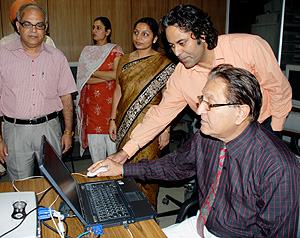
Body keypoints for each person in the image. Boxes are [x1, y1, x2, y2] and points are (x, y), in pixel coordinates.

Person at [89, 64, 300, 237]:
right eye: (201, 100)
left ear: (240, 113)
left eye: (210, 105)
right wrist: (123, 169)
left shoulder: (278, 166)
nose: (199, 111)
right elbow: (173, 166)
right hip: (200, 225)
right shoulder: (207, 138)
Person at [105, 4, 292, 165]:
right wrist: (125, 152)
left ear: (201, 34)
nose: (177, 52)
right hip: (216, 137)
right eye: (172, 46)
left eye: (182, 42)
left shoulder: (248, 47)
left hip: (260, 128)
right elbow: (160, 114)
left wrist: (274, 133)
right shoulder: (181, 74)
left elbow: (279, 89)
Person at [0, 4, 77, 180]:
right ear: (18, 26)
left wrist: (67, 132)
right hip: (15, 131)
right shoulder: (2, 55)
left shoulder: (57, 57)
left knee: (54, 181)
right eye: (28, 24)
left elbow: (66, 97)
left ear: (46, 28)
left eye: (39, 25)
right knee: (20, 184)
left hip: (49, 128)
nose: (33, 30)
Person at [108, 17, 175, 208]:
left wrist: (166, 129)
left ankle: (148, 215)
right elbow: (118, 90)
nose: (139, 37)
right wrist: (112, 119)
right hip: (124, 122)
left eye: (145, 34)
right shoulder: (123, 60)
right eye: (136, 32)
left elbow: (170, 100)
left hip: (151, 125)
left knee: (148, 172)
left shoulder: (164, 63)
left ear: (155, 38)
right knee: (124, 166)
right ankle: (128, 212)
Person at [76, 17, 124, 163]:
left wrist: (94, 73)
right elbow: (83, 79)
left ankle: (116, 183)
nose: (94, 31)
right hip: (92, 108)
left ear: (108, 31)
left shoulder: (115, 49)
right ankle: (99, 182)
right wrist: (106, 76)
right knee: (96, 156)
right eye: (93, 27)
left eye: (99, 28)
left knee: (113, 153)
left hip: (111, 108)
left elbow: (117, 74)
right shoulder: (87, 51)